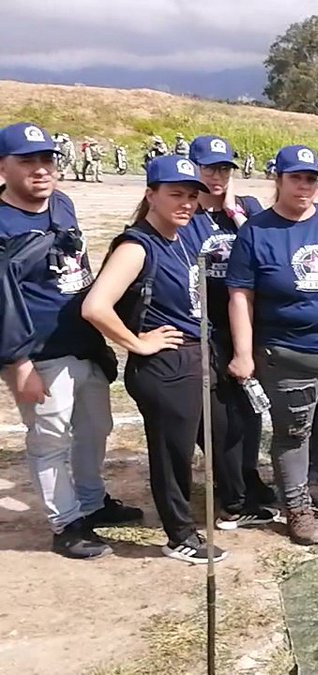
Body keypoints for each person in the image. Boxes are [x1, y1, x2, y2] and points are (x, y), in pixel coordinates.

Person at [225, 145, 318, 545]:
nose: (305, 186)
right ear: (278, 180)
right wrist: (244, 353)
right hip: (288, 354)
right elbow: (241, 295)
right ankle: (297, 508)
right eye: (296, 178)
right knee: (293, 433)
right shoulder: (257, 230)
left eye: (312, 179)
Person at [0, 122, 141, 560]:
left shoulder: (62, 204)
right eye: (28, 161)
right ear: (3, 166)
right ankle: (66, 523)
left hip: (82, 343)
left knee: (96, 428)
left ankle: (92, 501)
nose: (41, 170)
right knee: (50, 440)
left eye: (47, 159)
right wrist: (16, 364)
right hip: (39, 354)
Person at [82, 156, 223, 564]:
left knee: (213, 438)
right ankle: (180, 536)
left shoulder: (180, 237)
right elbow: (95, 307)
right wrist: (137, 343)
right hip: (165, 366)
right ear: (151, 195)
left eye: (192, 195)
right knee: (172, 456)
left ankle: (210, 514)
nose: (186, 203)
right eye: (175, 194)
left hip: (193, 358)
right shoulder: (136, 246)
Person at [180, 135, 278, 530]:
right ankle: (230, 493)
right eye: (209, 169)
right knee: (219, 418)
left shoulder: (247, 210)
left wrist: (234, 209)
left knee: (250, 411)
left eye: (223, 169)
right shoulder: (186, 213)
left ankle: (248, 477)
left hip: (247, 325)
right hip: (204, 327)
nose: (217, 177)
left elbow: (262, 244)